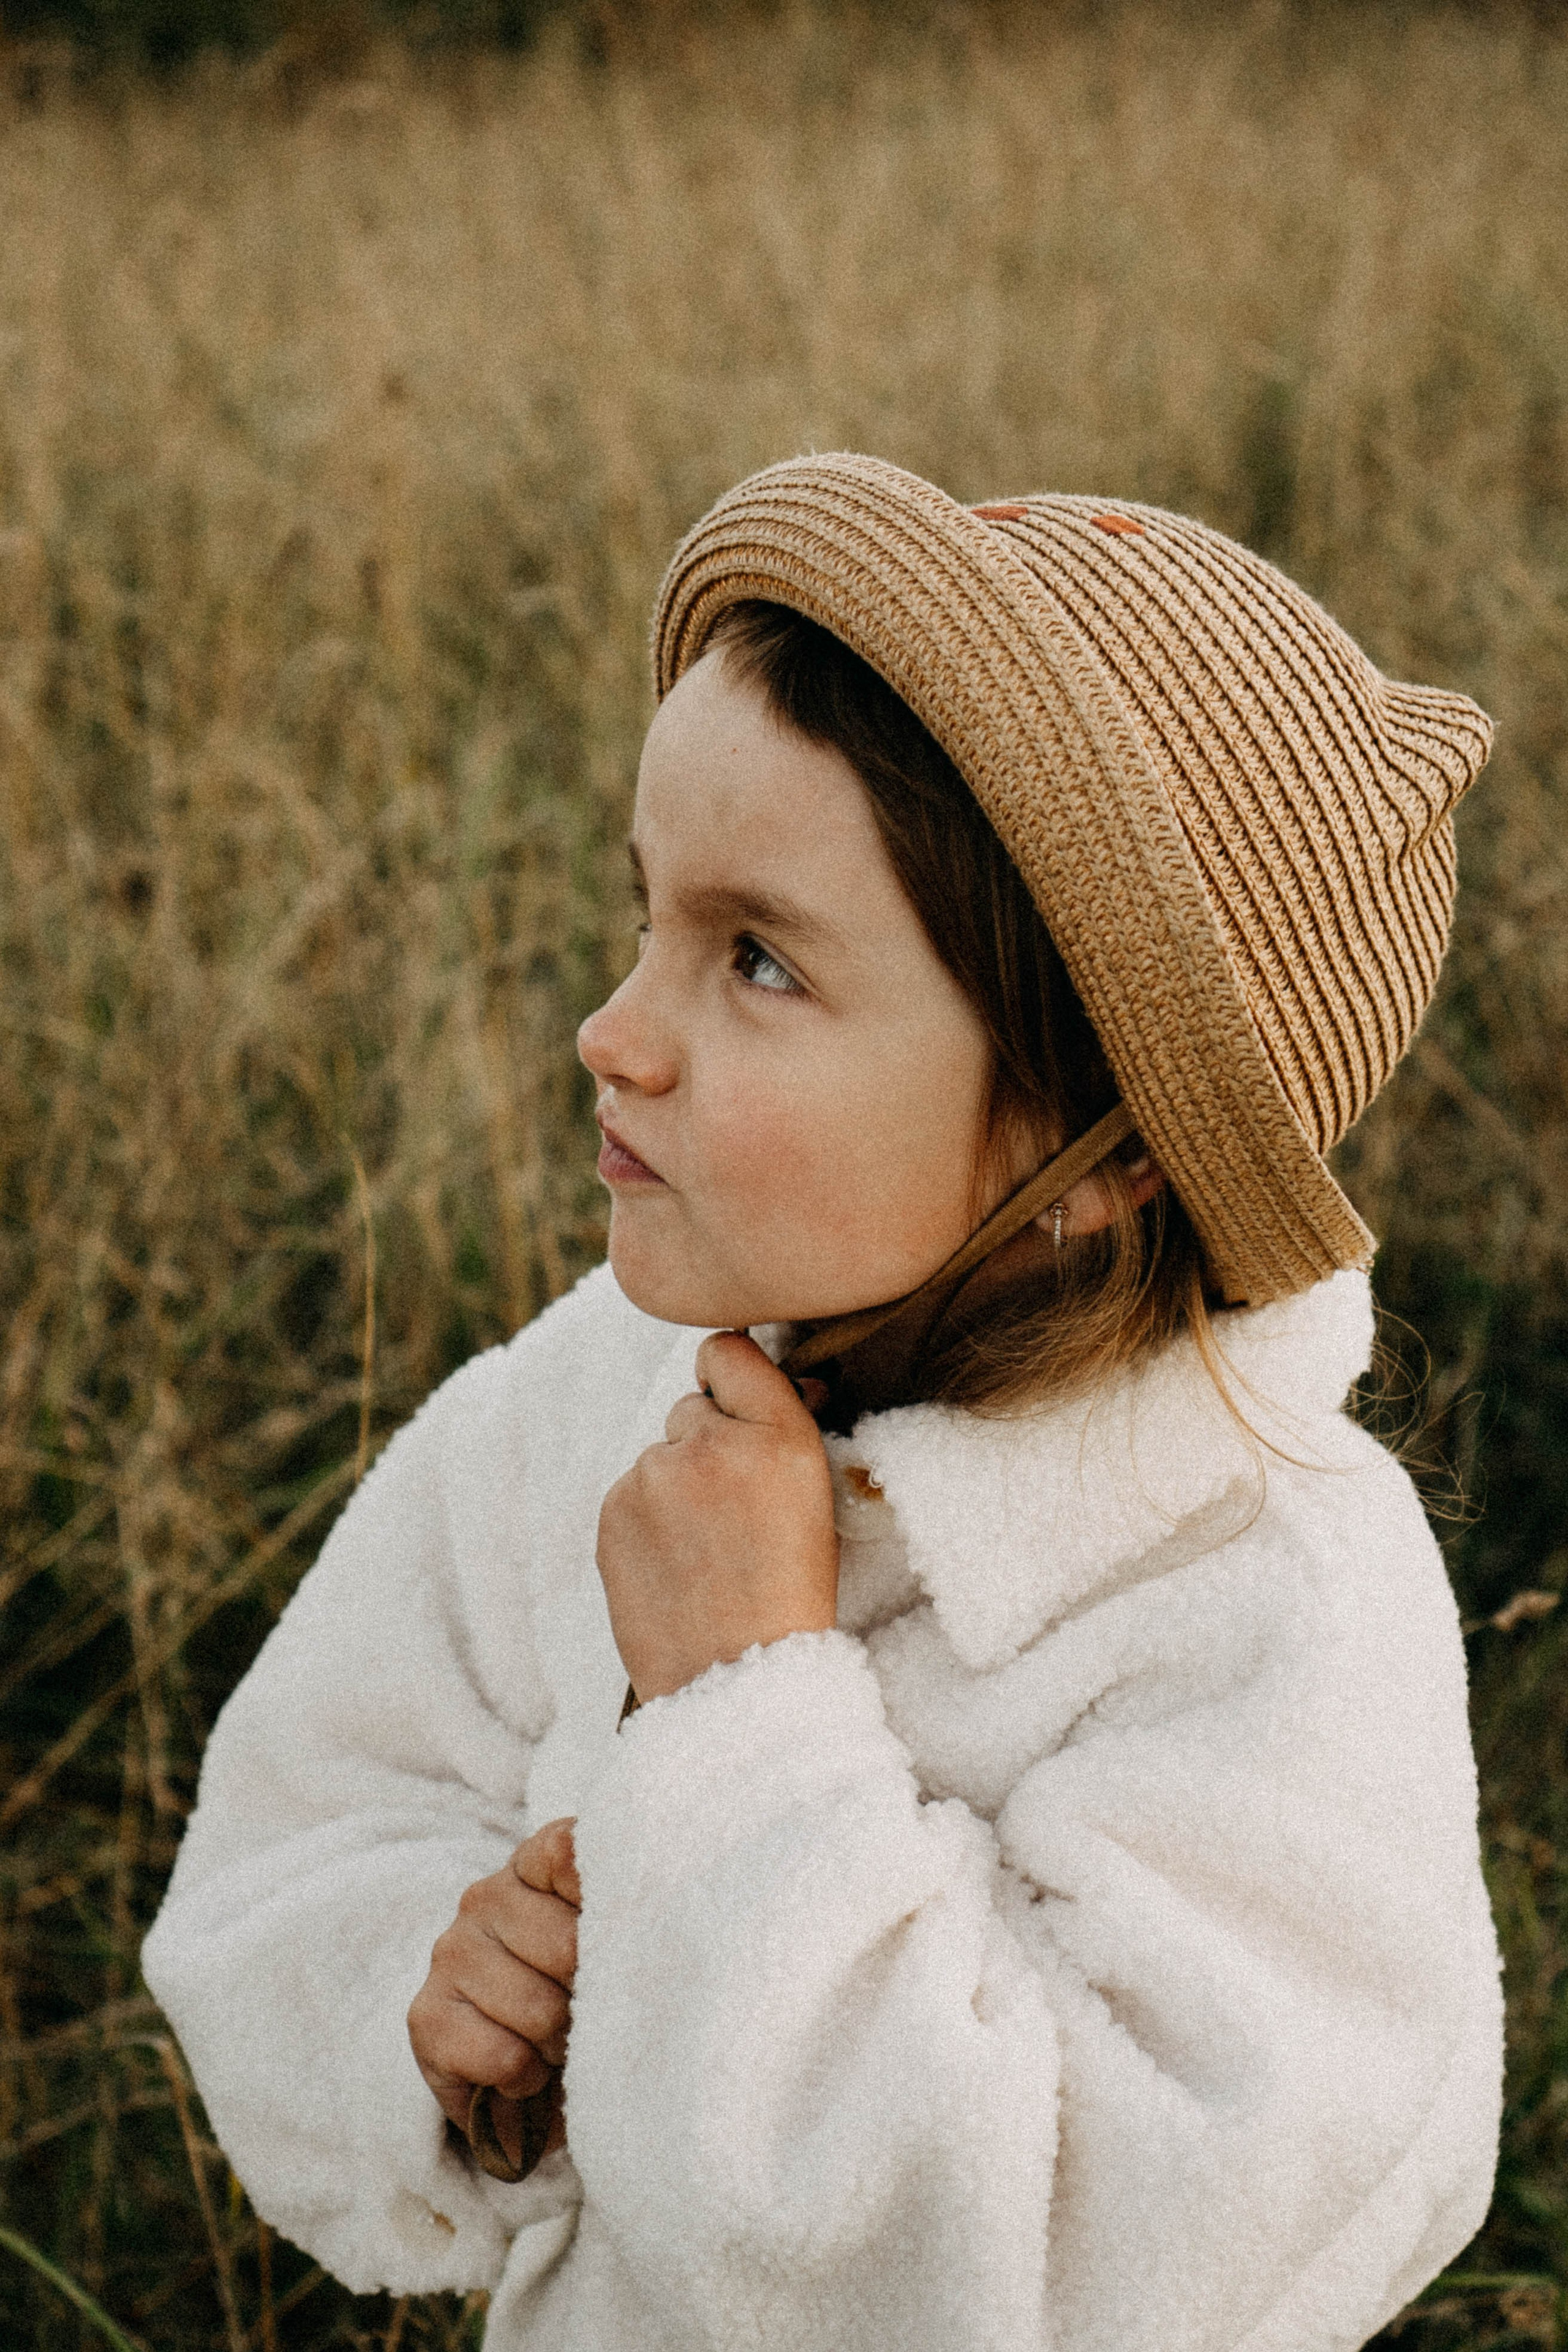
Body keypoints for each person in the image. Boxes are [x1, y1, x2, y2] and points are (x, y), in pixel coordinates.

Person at [141, 454, 1504, 2352]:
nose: (613, 1030)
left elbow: (1066, 2277)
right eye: (648, 918)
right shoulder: (593, 1403)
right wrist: (426, 2001)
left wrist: (740, 1706)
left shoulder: (1264, 1601)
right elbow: (295, 1831)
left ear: (1101, 1146)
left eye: (757, 959)